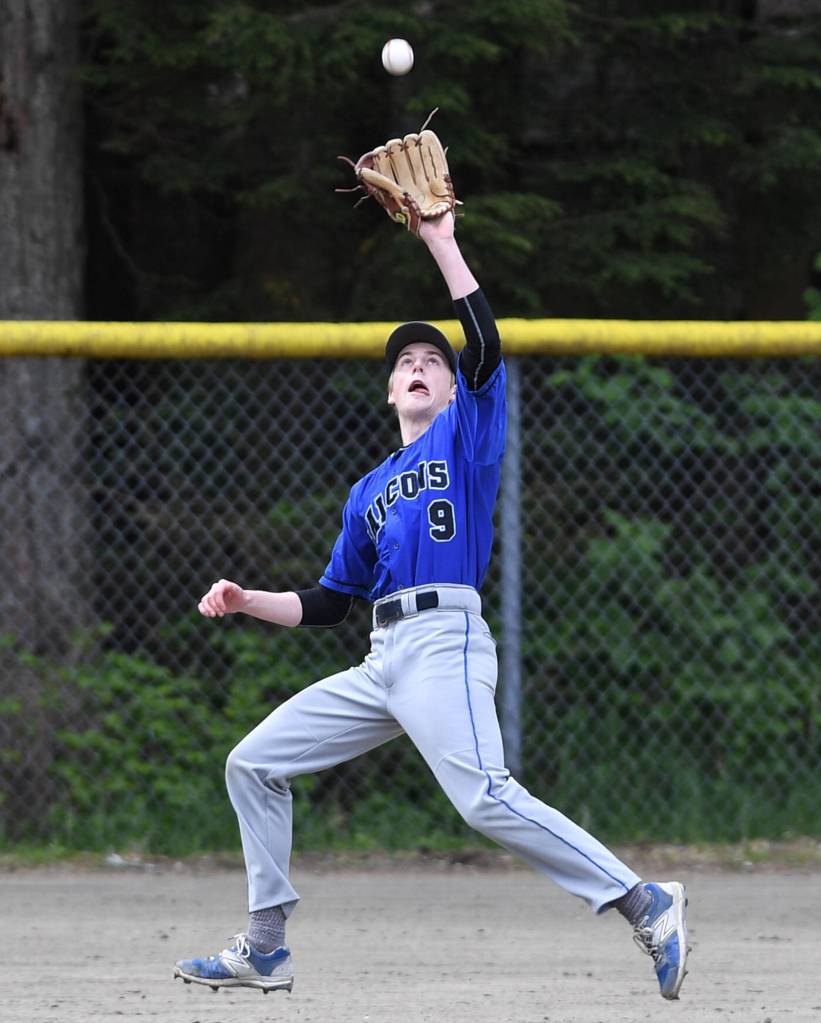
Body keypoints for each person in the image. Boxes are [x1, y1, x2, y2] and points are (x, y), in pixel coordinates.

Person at [173, 211, 689, 1000]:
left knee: (485, 794)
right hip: (382, 660)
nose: (417, 365)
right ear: (388, 389)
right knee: (253, 762)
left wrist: (439, 240)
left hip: (444, 639)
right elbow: (329, 601)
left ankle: (643, 901)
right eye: (404, 361)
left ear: (451, 388)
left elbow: (483, 343)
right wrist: (248, 601)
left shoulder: (466, 437)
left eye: (430, 361)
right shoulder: (367, 491)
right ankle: (266, 946)